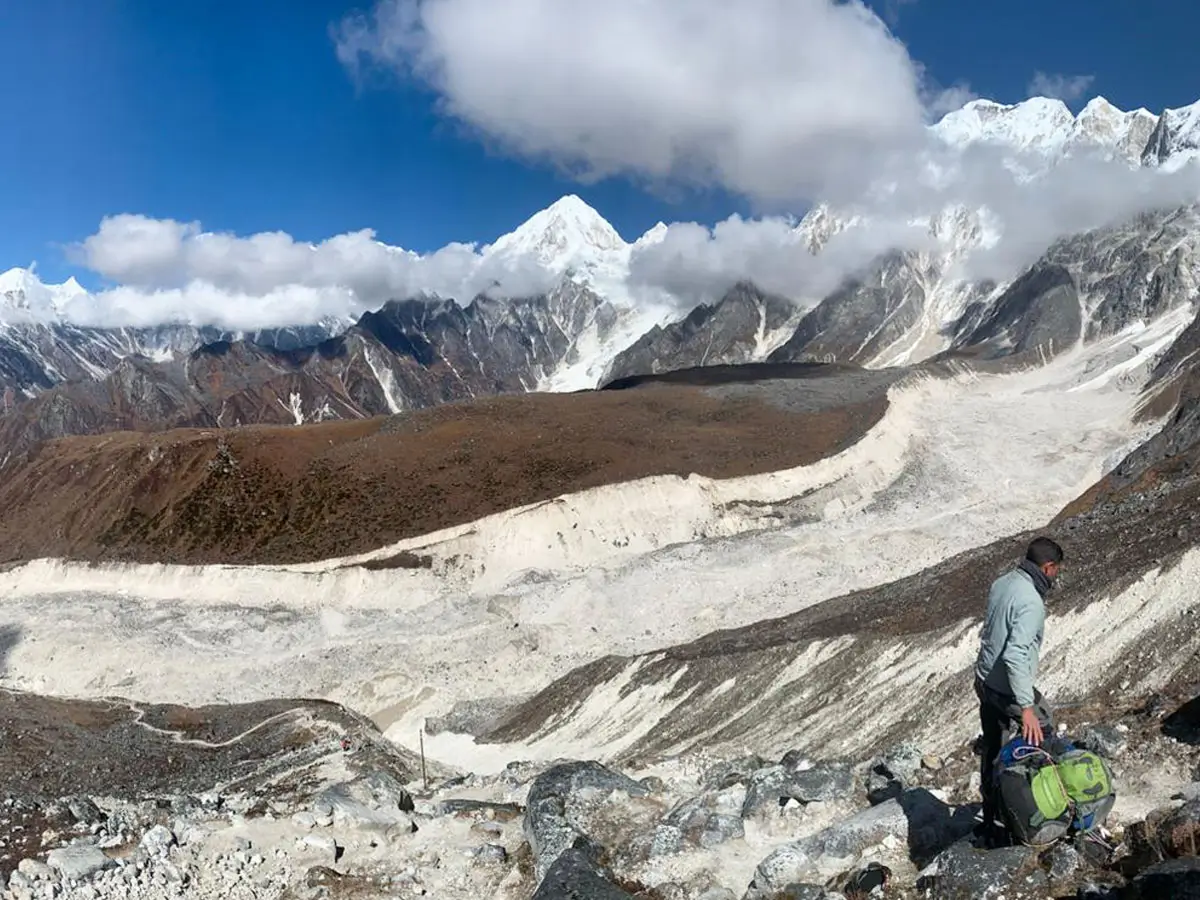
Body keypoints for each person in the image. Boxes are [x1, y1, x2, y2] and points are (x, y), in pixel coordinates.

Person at [973, 536, 1063, 838]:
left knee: (993, 747)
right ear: (1048, 567)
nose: (1056, 575)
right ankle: (1035, 814)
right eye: (1056, 569)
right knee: (1042, 733)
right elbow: (1014, 654)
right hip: (1006, 689)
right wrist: (1026, 707)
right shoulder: (1032, 602)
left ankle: (991, 817)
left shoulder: (1003, 583)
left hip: (984, 680)